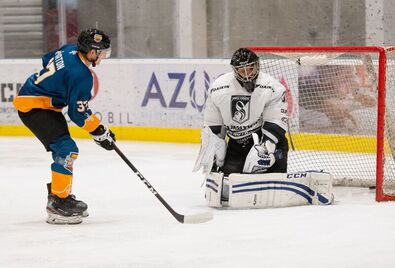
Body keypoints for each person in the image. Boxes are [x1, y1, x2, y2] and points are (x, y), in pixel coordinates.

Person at [13, 28, 116, 225]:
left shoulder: (69, 50)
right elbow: (77, 114)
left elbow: (46, 59)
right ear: (91, 52)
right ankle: (58, 203)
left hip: (38, 101)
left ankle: (60, 196)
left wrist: (56, 84)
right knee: (66, 150)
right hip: (35, 107)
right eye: (101, 52)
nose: (103, 57)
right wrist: (99, 132)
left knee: (66, 148)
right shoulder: (82, 75)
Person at [194, 47, 289, 176]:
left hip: (265, 140)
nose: (247, 74)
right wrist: (213, 144)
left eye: (250, 68)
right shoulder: (218, 87)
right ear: (234, 70)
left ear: (257, 65)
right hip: (236, 145)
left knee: (272, 185)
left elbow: (275, 119)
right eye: (242, 70)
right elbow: (213, 122)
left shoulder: (272, 87)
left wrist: (266, 147)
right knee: (228, 187)